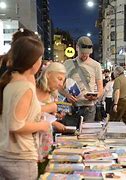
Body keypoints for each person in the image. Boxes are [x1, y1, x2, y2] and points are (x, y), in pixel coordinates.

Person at [0, 37, 50, 179]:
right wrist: (42, 125)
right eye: (40, 58)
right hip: (20, 157)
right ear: (33, 61)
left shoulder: (11, 83)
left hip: (7, 154)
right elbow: (16, 125)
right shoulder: (24, 86)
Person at [60, 36, 103, 123]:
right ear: (77, 48)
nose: (85, 55)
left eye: (87, 53)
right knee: (70, 133)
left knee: (87, 134)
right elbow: (59, 86)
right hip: (70, 107)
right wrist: (67, 95)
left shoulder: (96, 65)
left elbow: (100, 87)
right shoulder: (67, 64)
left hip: (88, 107)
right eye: (82, 52)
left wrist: (96, 96)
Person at [110, 66, 126, 133]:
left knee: (114, 120)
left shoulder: (118, 79)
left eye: (114, 72)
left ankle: (113, 135)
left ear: (117, 72)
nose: (113, 73)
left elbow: (117, 91)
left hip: (120, 102)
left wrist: (115, 104)